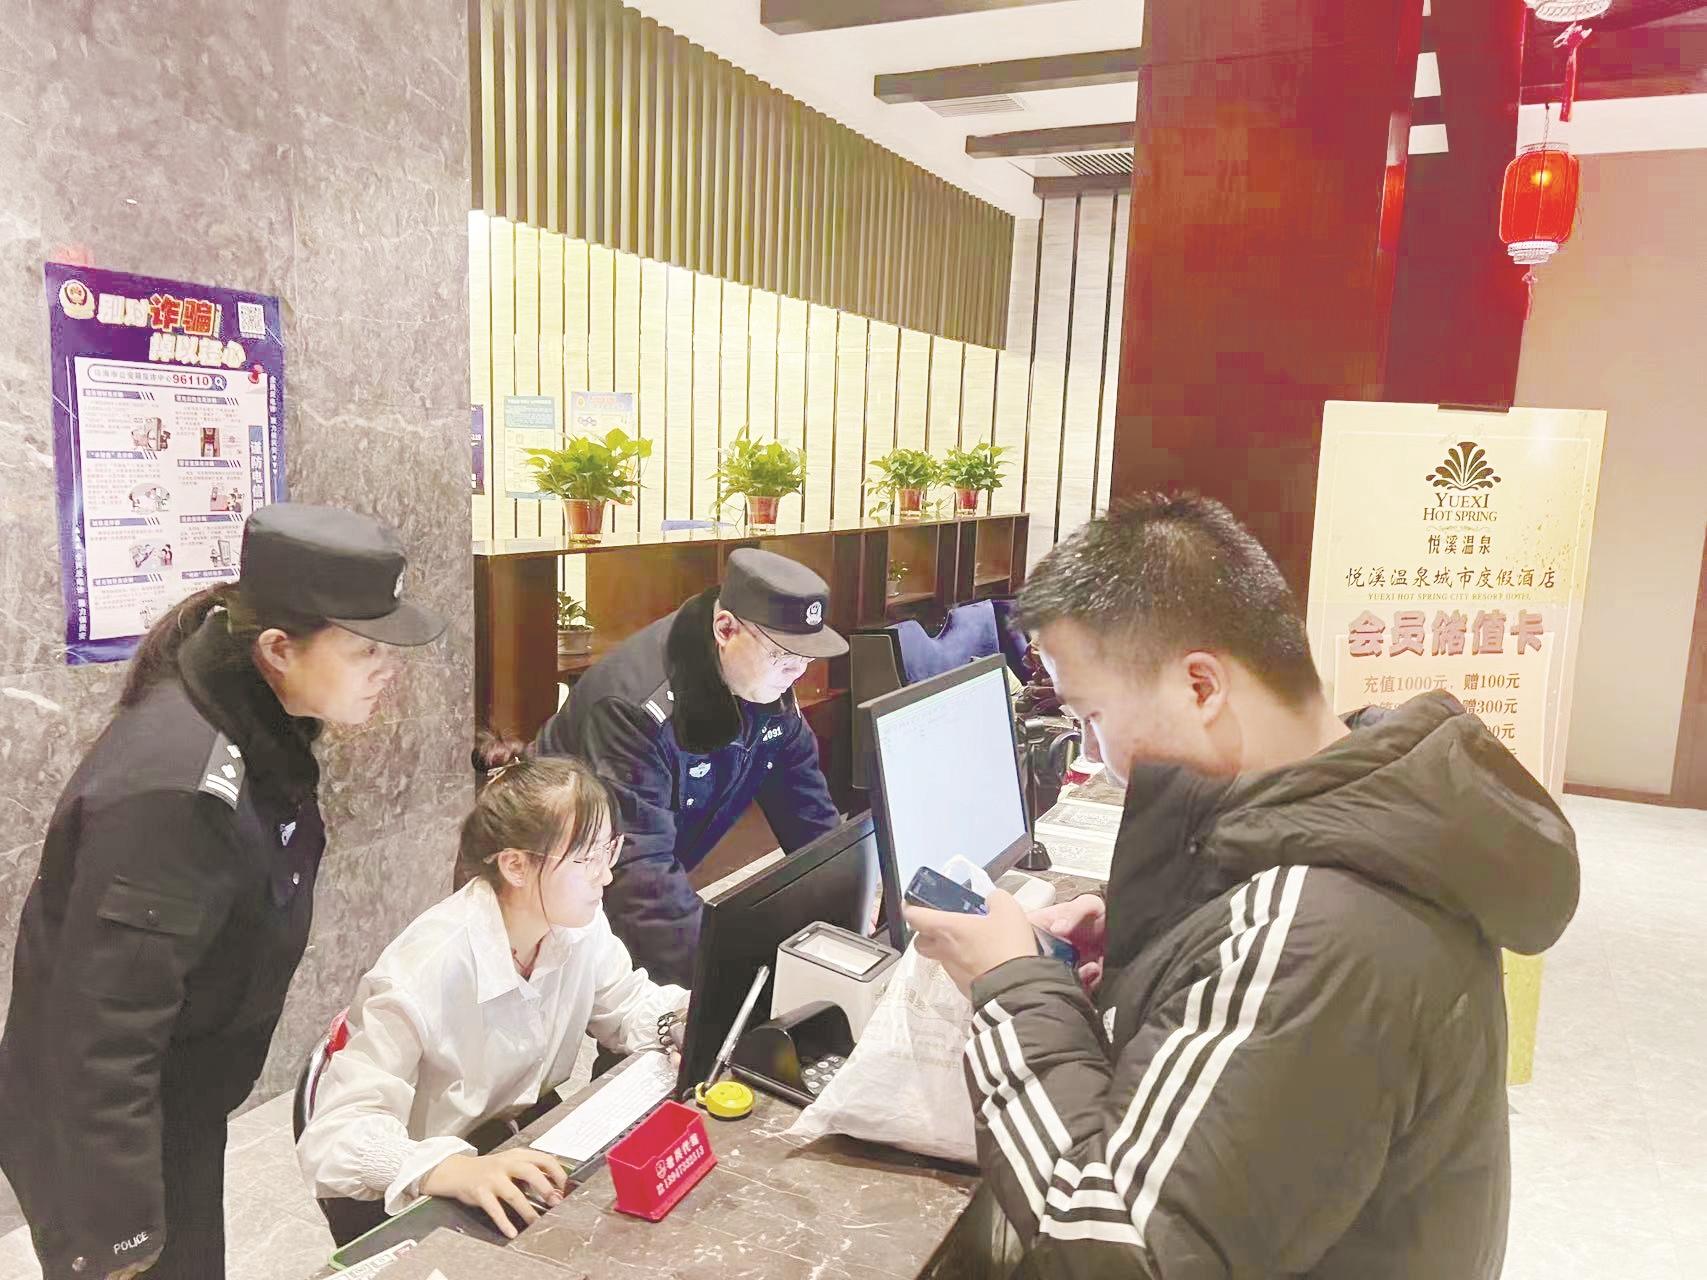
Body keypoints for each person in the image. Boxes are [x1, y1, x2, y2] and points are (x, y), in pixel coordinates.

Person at [904, 494, 1580, 1279]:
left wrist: (1011, 983)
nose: (1094, 753)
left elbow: (1111, 1252)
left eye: (1092, 716)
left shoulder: (1316, 930)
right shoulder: (1369, 826)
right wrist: (1164, 947)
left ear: (1200, 686)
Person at [0, 504, 446, 1280]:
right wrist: (122, 1235)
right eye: (365, 649)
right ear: (277, 648)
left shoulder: (258, 717)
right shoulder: (178, 791)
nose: (387, 669)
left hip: (174, 1101)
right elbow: (103, 1031)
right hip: (106, 1135)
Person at [296, 741, 688, 1245]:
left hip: (518, 1140)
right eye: (586, 858)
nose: (606, 875)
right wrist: (450, 1169)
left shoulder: (576, 925)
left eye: (608, 850)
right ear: (516, 866)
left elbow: (625, 1002)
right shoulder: (424, 969)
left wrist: (678, 1020)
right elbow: (337, 1134)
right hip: (429, 1177)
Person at [533, 548, 845, 986]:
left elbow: (809, 811)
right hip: (548, 888)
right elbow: (640, 881)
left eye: (806, 658)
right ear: (726, 629)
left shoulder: (766, 684)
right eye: (783, 656)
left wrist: (847, 900)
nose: (797, 674)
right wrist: (723, 980)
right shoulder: (635, 709)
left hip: (628, 871)